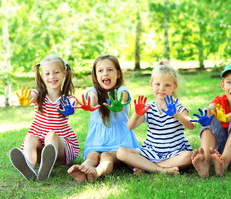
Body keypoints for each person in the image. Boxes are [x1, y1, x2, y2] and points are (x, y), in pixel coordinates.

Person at [67, 55, 140, 183]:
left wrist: (119, 104)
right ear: (95, 75)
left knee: (107, 156)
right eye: (100, 71)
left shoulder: (122, 90)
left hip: (119, 142)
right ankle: (86, 168)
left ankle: (97, 172)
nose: (105, 73)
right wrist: (90, 105)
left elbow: (122, 98)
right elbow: (92, 98)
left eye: (110, 70)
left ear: (118, 74)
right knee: (92, 156)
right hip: (97, 140)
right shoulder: (93, 91)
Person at [116, 61, 194, 175]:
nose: (161, 88)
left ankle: (148, 167)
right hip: (151, 152)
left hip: (174, 152)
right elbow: (130, 126)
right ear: (151, 85)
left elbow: (191, 126)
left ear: (174, 87)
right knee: (121, 152)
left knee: (189, 156)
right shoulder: (148, 108)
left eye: (167, 85)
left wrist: (177, 115)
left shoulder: (178, 107)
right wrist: (136, 115)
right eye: (157, 84)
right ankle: (162, 170)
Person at [9, 56, 80, 181]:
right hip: (40, 150)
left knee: (51, 135)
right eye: (47, 73)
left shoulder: (67, 99)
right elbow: (32, 94)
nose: (51, 77)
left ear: (64, 73)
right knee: (30, 137)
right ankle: (29, 166)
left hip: (61, 149)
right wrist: (27, 98)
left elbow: (73, 102)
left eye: (56, 72)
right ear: (42, 76)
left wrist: (72, 107)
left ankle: (47, 165)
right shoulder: (39, 95)